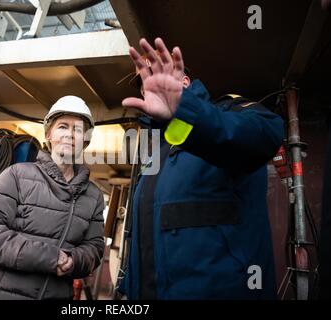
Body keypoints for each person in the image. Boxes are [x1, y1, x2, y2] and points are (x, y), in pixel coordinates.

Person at [119, 38, 284, 299]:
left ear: (184, 81)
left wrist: (184, 109)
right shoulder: (153, 152)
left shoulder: (230, 111)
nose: (150, 86)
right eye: (145, 84)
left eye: (160, 75)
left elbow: (266, 135)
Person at [0, 95, 105, 300]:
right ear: (48, 134)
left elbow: (95, 247)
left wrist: (74, 261)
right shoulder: (17, 175)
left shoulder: (93, 196)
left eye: (78, 130)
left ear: (85, 140)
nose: (69, 135)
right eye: (63, 127)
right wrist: (50, 258)